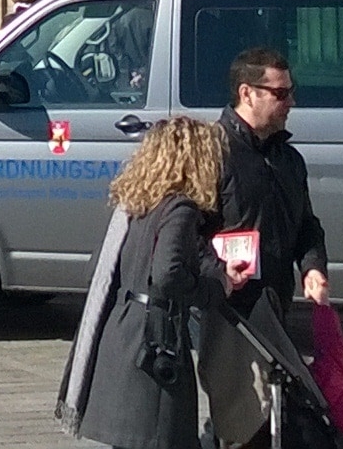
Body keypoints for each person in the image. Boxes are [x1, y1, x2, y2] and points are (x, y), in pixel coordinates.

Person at [60, 115, 235, 448]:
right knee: (161, 437)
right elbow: (168, 275)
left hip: (120, 332)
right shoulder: (180, 207)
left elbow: (96, 268)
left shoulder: (135, 203)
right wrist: (217, 287)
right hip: (155, 340)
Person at [205, 46, 327, 448]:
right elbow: (186, 236)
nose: (291, 102)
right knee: (242, 422)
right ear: (247, 93)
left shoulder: (288, 159)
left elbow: (307, 226)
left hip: (275, 307)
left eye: (291, 92)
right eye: (280, 94)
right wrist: (218, 274)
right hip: (228, 311)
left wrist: (312, 266)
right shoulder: (213, 154)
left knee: (272, 417)